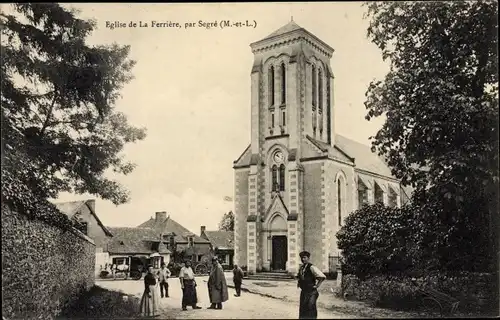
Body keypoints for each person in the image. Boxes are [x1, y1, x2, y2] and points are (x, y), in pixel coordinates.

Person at [297, 251, 326, 319]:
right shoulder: (301, 268)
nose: (303, 259)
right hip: (304, 292)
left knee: (311, 308)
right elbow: (300, 277)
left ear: (308, 258)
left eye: (304, 257)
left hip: (311, 292)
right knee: (303, 309)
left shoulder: (312, 267)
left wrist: (317, 285)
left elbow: (322, 276)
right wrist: (299, 283)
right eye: (301, 258)